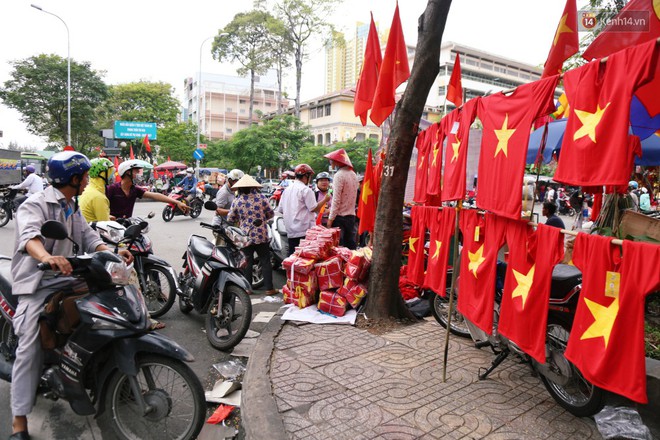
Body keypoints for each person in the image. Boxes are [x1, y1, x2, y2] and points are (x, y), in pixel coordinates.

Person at [9, 151, 133, 440]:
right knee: (29, 347)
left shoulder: (70, 205)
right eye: (85, 175)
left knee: (108, 309)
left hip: (67, 277)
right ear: (74, 179)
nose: (88, 179)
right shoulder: (35, 204)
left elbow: (87, 235)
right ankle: (18, 423)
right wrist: (47, 257)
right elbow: (30, 238)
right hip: (38, 281)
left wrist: (112, 253)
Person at [226, 175, 277, 295]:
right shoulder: (261, 198)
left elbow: (230, 218)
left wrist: (241, 219)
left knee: (247, 261)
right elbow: (271, 213)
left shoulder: (237, 200)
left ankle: (248, 288)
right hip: (261, 234)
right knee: (265, 261)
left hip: (245, 235)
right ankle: (269, 288)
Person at [276, 164, 329, 255]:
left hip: (290, 230)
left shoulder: (287, 190)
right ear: (306, 176)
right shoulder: (306, 190)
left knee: (293, 257)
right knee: (303, 259)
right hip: (304, 231)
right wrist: (325, 200)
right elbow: (313, 208)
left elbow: (280, 209)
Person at [107, 159, 188, 219]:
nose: (139, 175)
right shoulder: (112, 189)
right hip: (111, 228)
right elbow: (99, 206)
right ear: (128, 172)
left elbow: (155, 195)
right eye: (136, 172)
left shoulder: (134, 190)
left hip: (126, 225)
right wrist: (107, 216)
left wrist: (177, 202)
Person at [324, 148, 359, 249]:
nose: (330, 162)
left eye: (331, 160)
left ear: (337, 161)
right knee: (350, 248)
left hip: (340, 218)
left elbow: (336, 200)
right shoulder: (353, 174)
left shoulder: (339, 175)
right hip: (351, 217)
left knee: (339, 249)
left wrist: (330, 219)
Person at [79, 158, 116, 222]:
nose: (113, 176)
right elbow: (106, 225)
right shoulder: (99, 197)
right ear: (103, 174)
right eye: (111, 173)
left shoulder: (89, 190)